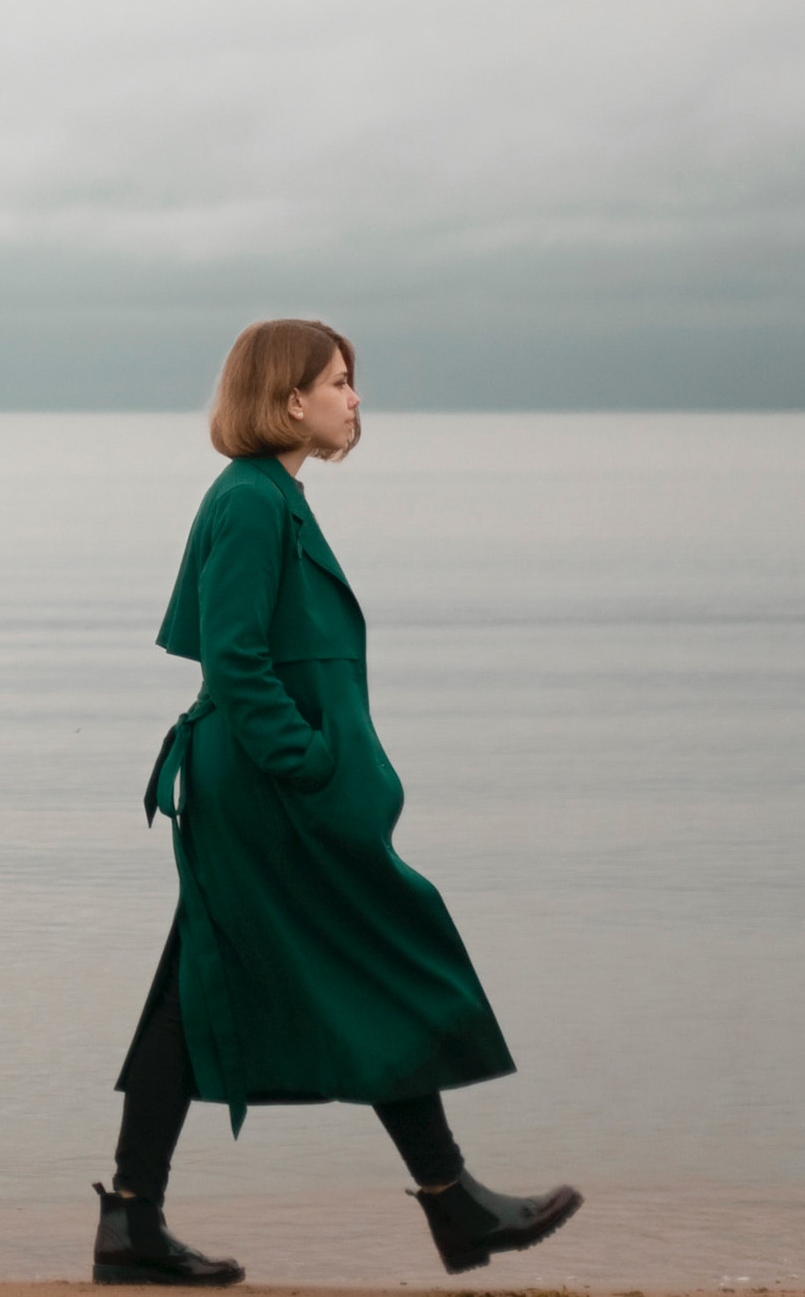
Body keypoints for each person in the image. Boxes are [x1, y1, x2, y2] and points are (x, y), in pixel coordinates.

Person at [92, 320, 583, 1286]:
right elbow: (234, 657)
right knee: (373, 957)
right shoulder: (248, 502)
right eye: (340, 382)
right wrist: (309, 764)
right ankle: (452, 1203)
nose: (354, 400)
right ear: (288, 400)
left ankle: (134, 1222)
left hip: (269, 788)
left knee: (213, 986)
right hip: (267, 793)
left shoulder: (274, 497)